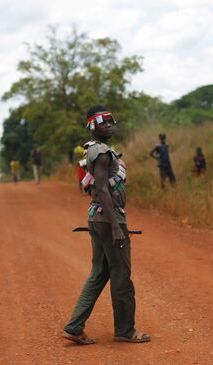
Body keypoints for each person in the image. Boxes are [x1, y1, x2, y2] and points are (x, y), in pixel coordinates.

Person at [63, 105, 149, 345]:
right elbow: (101, 189)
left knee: (99, 273)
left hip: (96, 218)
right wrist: (115, 227)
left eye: (112, 121)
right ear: (92, 125)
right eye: (104, 122)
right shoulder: (101, 154)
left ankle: (74, 325)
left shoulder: (94, 150)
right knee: (121, 276)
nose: (110, 125)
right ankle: (125, 330)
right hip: (109, 219)